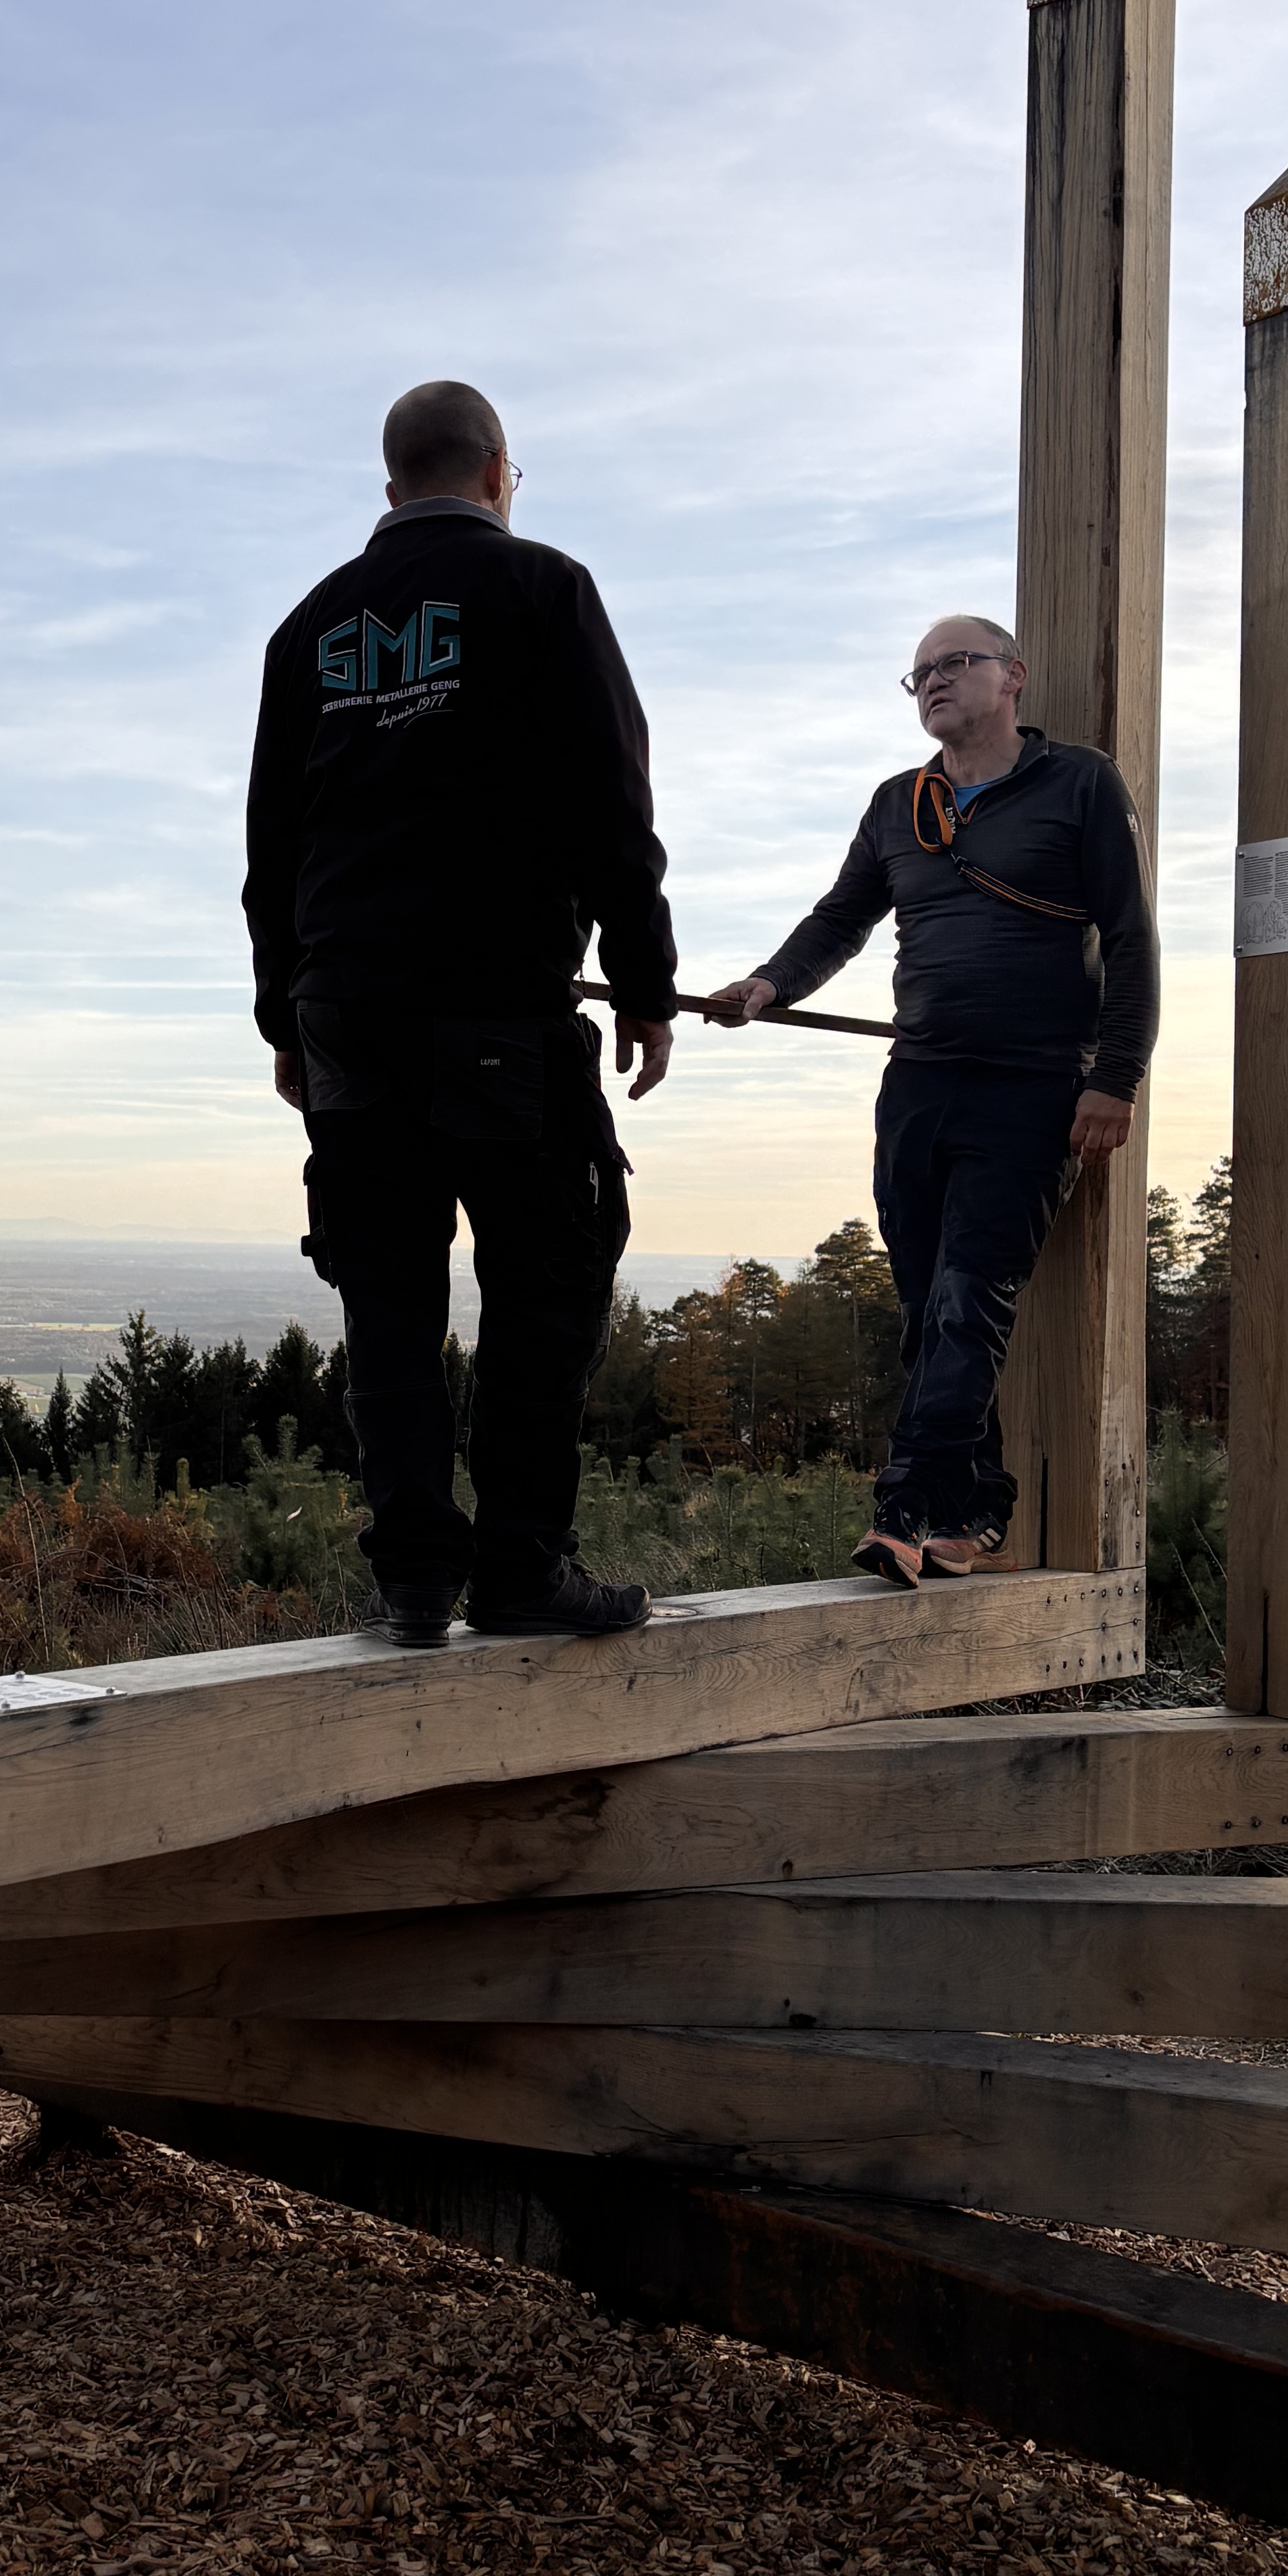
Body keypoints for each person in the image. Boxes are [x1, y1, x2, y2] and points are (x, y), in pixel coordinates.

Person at [244, 379, 677, 1646]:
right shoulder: (543, 589)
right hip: (498, 1011)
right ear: (498, 472)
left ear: (391, 488)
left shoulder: (308, 627)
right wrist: (645, 985)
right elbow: (613, 805)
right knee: (547, 1285)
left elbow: (272, 852)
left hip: (346, 1018)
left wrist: (284, 1022)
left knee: (386, 1303)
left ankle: (416, 1582)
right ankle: (521, 1568)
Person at [698, 614, 1157, 1586]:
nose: (935, 682)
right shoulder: (896, 804)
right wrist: (770, 984)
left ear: (1013, 676)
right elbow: (840, 918)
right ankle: (974, 1506)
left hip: (1034, 1085)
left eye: (956, 663)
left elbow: (1130, 936)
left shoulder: (1079, 782)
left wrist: (1115, 1078)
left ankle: (902, 1511)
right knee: (927, 1307)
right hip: (918, 1083)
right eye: (919, 675)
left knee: (968, 1296)